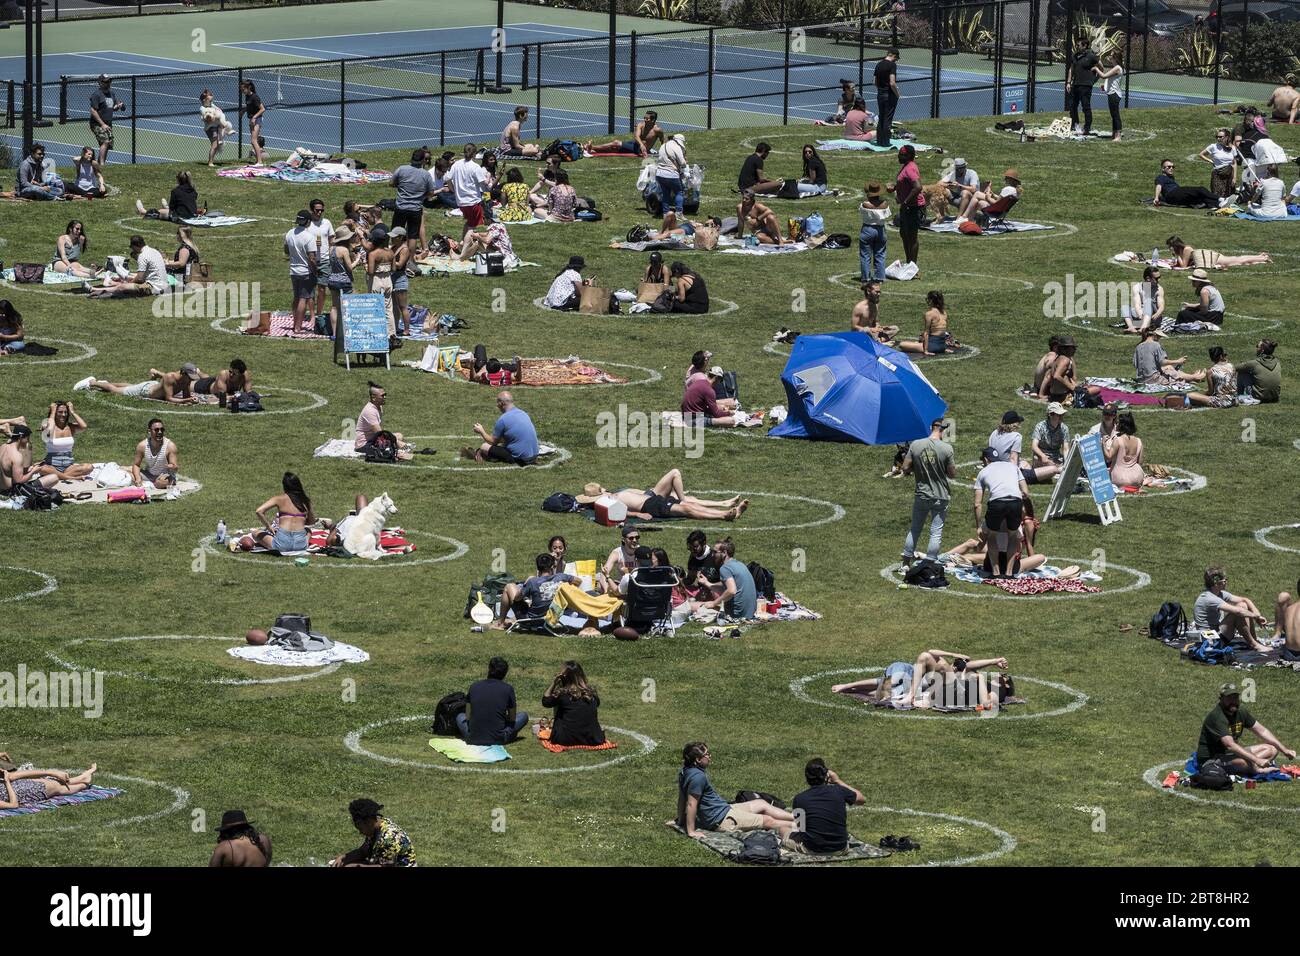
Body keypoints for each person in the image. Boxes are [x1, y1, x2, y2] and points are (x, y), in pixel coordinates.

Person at [675, 742, 796, 840]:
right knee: (767, 820)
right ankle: (801, 826)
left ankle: (797, 817)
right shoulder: (697, 778)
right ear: (697, 759)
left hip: (725, 809)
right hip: (722, 820)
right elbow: (691, 804)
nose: (710, 756)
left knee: (761, 803)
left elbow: (682, 797)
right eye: (707, 754)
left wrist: (680, 821)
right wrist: (691, 831)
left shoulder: (685, 772)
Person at [1197, 684, 1295, 777]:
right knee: (1244, 762)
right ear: (1221, 699)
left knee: (1272, 750)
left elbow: (1262, 731)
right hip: (1212, 759)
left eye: (1235, 697)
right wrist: (1257, 760)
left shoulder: (1240, 712)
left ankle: (1253, 767)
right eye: (1229, 698)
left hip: (1231, 754)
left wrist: (1284, 750)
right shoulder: (1217, 717)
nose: (1233, 701)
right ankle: (1256, 769)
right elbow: (1230, 745)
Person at [577, 470, 748, 522]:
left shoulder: (609, 495)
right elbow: (619, 512)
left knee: (676, 474)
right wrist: (638, 514)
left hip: (651, 498)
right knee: (687, 508)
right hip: (649, 506)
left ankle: (725, 506)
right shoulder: (606, 502)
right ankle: (725, 515)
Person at [900, 417, 956, 566]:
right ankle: (930, 563)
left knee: (915, 528)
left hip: (922, 494)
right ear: (943, 430)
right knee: (936, 531)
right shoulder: (947, 448)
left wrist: (917, 468)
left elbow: (905, 468)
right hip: (941, 495)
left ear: (931, 427)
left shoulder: (916, 444)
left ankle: (905, 563)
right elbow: (952, 474)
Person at [784, 759, 865, 855]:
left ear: (807, 778)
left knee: (783, 829)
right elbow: (861, 799)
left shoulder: (799, 798)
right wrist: (838, 780)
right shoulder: (839, 791)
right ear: (827, 775)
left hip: (811, 848)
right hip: (840, 848)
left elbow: (801, 828)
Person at [973, 445, 1032, 578]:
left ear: (986, 460)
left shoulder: (983, 471)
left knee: (992, 535)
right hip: (1015, 502)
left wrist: (978, 526)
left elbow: (977, 504)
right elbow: (1026, 493)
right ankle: (1010, 573)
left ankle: (996, 572)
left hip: (997, 502)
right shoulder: (1013, 467)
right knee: (1012, 536)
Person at [1194, 566, 1269, 651]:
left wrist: (1258, 616)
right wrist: (1254, 616)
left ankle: (1254, 641)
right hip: (1209, 639)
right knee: (1238, 613)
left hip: (1217, 633)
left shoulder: (1219, 593)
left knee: (1242, 605)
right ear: (1216, 583)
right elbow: (1238, 612)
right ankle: (1254, 645)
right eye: (1224, 580)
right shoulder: (1208, 598)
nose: (1226, 582)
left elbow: (1245, 600)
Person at [496, 553, 577, 627]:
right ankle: (501, 622)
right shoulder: (561, 577)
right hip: (551, 618)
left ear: (538, 567)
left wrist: (525, 586)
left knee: (509, 586)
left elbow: (517, 598)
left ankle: (500, 623)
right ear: (552, 566)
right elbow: (579, 581)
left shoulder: (532, 582)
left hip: (531, 621)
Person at [460, 657, 528, 744]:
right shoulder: (508, 689)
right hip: (498, 738)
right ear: (505, 673)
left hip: (473, 737)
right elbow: (512, 718)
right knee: (523, 716)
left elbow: (468, 715)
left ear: (489, 669)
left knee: (460, 717)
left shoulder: (474, 686)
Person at [331, 798, 414, 867]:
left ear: (369, 821)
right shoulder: (376, 828)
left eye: (360, 828)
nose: (360, 832)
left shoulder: (390, 838)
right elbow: (363, 851)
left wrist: (356, 866)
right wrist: (344, 858)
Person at [542, 662, 606, 747]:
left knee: (556, 703)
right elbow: (597, 704)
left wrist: (554, 683)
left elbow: (545, 702)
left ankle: (560, 730)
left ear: (564, 677)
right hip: (592, 739)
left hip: (565, 739)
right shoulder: (591, 693)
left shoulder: (562, 694)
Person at [465, 391, 538, 466]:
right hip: (534, 456)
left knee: (484, 446)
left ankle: (485, 456)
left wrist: (481, 431)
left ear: (502, 403)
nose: (497, 405)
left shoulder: (503, 419)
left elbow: (492, 442)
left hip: (521, 459)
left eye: (497, 403)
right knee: (504, 443)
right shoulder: (523, 413)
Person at [988, 409, 1059, 484]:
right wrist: (1013, 479)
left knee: (1025, 463)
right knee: (1053, 469)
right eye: (1018, 422)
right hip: (1009, 473)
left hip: (994, 470)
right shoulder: (1016, 437)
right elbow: (1013, 458)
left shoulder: (994, 433)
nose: (1019, 424)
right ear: (1014, 424)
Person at [251, 472, 315, 554]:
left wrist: (269, 527)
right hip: (300, 545)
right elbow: (312, 521)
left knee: (255, 533)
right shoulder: (306, 500)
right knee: (308, 530)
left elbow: (259, 511)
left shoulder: (279, 499)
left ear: (284, 486)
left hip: (281, 544)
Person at [698, 538, 758, 619]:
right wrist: (707, 583)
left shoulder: (725, 568)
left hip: (737, 615)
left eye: (715, 552)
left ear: (724, 553)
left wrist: (714, 603)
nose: (713, 555)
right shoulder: (740, 564)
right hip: (749, 612)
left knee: (696, 606)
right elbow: (726, 587)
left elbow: (731, 591)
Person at [80, 364, 198, 404]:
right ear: (183, 373)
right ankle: (92, 382)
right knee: (115, 390)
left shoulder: (186, 379)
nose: (191, 379)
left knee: (129, 387)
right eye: (189, 376)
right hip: (146, 391)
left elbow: (186, 395)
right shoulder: (169, 377)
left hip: (150, 386)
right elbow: (169, 398)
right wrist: (186, 401)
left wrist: (190, 398)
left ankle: (104, 383)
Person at [354, 381, 411, 460]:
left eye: (385, 395)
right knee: (405, 456)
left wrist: (395, 440)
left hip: (372, 439)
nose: (385, 397)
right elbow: (379, 434)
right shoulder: (370, 411)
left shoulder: (378, 406)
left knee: (399, 435)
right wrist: (398, 443)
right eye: (382, 395)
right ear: (374, 397)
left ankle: (399, 449)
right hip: (364, 445)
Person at [887, 144, 924, 266]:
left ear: (909, 156)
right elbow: (905, 182)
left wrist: (906, 201)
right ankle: (909, 262)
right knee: (904, 234)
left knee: (912, 237)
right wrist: (895, 188)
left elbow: (918, 187)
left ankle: (913, 266)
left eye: (902, 155)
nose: (899, 156)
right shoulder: (906, 167)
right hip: (907, 207)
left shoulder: (910, 168)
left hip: (913, 207)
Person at [36, 401, 91, 481]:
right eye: (60, 412)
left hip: (68, 464)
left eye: (65, 412)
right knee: (43, 468)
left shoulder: (70, 427)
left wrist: (72, 412)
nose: (63, 415)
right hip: (52, 464)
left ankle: (59, 476)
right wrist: (53, 411)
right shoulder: (46, 425)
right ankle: (70, 477)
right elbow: (50, 429)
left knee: (88, 467)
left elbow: (84, 426)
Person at [0, 425, 61, 498]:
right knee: (54, 478)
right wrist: (33, 471)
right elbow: (19, 481)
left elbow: (7, 471)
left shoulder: (3, 446)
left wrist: (30, 469)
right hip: (11, 492)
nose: (28, 441)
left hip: (2, 488)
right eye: (27, 439)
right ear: (20, 437)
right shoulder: (17, 456)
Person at [0, 764, 99, 809]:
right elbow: (13, 805)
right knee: (58, 788)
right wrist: (7, 782)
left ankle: (82, 778)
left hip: (21, 784)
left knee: (51, 781)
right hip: (25, 792)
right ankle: (84, 783)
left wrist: (51, 773)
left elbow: (11, 775)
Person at [284, 210, 319, 335]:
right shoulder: (309, 237)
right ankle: (298, 327)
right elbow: (312, 258)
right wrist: (315, 271)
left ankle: (294, 323)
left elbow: (286, 250)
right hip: (305, 272)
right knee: (303, 299)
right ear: (308, 222)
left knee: (296, 297)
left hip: (293, 270)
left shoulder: (289, 233)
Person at [1133, 326, 1203, 386]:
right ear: (1154, 335)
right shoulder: (1155, 345)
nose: (1159, 338)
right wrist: (1178, 361)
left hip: (1141, 379)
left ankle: (1193, 377)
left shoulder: (1138, 346)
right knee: (1170, 370)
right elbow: (1162, 361)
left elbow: (1135, 364)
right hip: (1153, 379)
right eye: (1159, 336)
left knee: (1168, 368)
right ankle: (1195, 377)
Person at [449, 143, 491, 238]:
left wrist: (454, 190)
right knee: (473, 226)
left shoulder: (456, 164)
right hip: (472, 201)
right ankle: (466, 246)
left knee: (469, 223)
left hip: (461, 201)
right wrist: (488, 178)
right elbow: (483, 184)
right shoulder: (475, 167)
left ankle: (463, 241)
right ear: (474, 154)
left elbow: (448, 178)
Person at [892, 290, 951, 356]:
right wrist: (944, 348)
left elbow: (926, 333)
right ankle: (939, 348)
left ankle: (927, 348)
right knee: (917, 343)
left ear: (931, 300)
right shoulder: (944, 313)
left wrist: (925, 350)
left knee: (902, 344)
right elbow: (942, 332)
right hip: (942, 346)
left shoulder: (929, 314)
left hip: (932, 347)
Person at [586, 110, 665, 157]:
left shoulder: (657, 130)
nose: (644, 120)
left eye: (647, 119)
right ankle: (592, 149)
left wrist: (664, 151)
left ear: (653, 120)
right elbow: (636, 136)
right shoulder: (641, 125)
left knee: (616, 143)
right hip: (637, 144)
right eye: (644, 118)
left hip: (640, 150)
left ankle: (592, 148)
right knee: (615, 148)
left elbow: (662, 141)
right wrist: (641, 144)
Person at [1166, 235, 1269, 270]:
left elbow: (1184, 266)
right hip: (1213, 258)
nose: (1170, 248)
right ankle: (1260, 257)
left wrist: (1176, 255)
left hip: (1215, 259)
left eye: (1170, 246)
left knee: (1239, 260)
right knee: (1238, 260)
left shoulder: (1186, 249)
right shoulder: (1183, 250)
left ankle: (1263, 257)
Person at [324, 226, 357, 335]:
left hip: (332, 279)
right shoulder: (344, 250)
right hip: (344, 281)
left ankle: (334, 333)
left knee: (334, 307)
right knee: (350, 305)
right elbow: (349, 267)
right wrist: (357, 260)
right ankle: (348, 331)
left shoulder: (331, 249)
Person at [135, 170, 202, 222]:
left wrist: (167, 211)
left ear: (178, 179)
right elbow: (188, 202)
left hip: (181, 216)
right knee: (166, 210)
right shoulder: (193, 190)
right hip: (192, 213)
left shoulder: (175, 191)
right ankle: (166, 207)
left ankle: (143, 211)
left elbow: (172, 208)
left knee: (159, 211)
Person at [956, 167, 1021, 221]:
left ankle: (964, 217)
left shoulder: (1007, 189)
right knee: (978, 201)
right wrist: (993, 195)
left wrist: (988, 198)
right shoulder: (1014, 191)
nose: (1005, 179)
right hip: (1002, 212)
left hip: (995, 211)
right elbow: (1002, 201)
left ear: (1011, 180)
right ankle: (969, 219)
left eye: (1006, 178)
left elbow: (996, 203)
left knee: (977, 194)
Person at [130, 418, 178, 489]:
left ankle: (148, 483)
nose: (159, 432)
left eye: (162, 429)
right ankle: (144, 482)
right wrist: (138, 479)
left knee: (160, 484)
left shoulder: (170, 446)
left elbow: (175, 467)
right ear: (149, 431)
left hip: (164, 476)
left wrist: (172, 467)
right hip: (149, 474)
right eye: (156, 430)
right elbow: (136, 465)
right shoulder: (142, 446)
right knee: (128, 473)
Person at [1153, 159, 1219, 208]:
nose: (1171, 168)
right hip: (1172, 194)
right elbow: (1159, 186)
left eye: (1173, 167)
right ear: (1163, 169)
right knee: (1200, 189)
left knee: (1201, 197)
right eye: (1169, 167)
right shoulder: (1160, 177)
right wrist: (1156, 198)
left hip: (1176, 197)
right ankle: (1220, 198)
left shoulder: (1171, 178)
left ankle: (1219, 205)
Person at [858, 181, 890, 283]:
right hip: (880, 230)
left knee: (865, 255)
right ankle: (880, 277)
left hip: (867, 229)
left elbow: (861, 211)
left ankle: (866, 278)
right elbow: (887, 214)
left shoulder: (865, 204)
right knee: (880, 254)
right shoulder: (885, 204)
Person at [89, 74, 124, 165]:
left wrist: (118, 106)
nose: (108, 83)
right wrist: (102, 124)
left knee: (107, 144)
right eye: (105, 82)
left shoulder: (111, 94)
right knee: (105, 141)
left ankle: (99, 164)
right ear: (100, 83)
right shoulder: (97, 95)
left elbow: (113, 107)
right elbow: (93, 111)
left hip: (108, 123)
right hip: (97, 123)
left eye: (109, 81)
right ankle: (102, 165)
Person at [1104, 411, 1144, 487]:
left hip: (1119, 478)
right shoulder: (1139, 441)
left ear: (1123, 425)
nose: (1116, 424)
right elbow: (1140, 462)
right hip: (1137, 477)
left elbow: (1108, 457)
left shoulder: (1118, 440)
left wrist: (1103, 444)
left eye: (1118, 423)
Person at [1067, 42, 1099, 135]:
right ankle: (1075, 125)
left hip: (1086, 86)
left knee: (1086, 107)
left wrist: (1093, 80)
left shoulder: (1091, 56)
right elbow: (1071, 68)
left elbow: (1100, 67)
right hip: (1075, 85)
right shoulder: (1075, 56)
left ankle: (1087, 128)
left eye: (1078, 45)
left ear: (1085, 46)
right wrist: (1068, 82)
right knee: (1072, 106)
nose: (1077, 46)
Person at [1236, 339, 1281, 403]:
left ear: (1262, 350)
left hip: (1259, 397)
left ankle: (1239, 395)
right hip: (1275, 397)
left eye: (1257, 346)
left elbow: (1235, 368)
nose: (1256, 348)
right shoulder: (1277, 363)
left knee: (1242, 373)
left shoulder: (1255, 363)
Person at [655, 132, 688, 218]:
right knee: (679, 192)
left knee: (666, 193)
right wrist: (685, 161)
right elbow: (683, 163)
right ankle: (679, 212)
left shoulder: (663, 146)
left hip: (659, 174)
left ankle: (665, 213)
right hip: (671, 174)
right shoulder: (676, 147)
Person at [1199, 128, 1239, 199]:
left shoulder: (1232, 148)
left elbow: (1234, 163)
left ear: (1227, 137)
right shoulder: (1213, 146)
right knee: (1217, 196)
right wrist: (1210, 161)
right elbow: (1201, 154)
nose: (1218, 138)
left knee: (1228, 196)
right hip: (1218, 174)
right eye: (1217, 137)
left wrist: (1234, 177)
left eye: (1220, 137)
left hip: (1229, 174)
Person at [1124, 266, 1165, 334]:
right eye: (1156, 278)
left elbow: (1161, 306)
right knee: (1124, 306)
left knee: (1149, 303)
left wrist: (1157, 314)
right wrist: (1140, 314)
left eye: (1159, 277)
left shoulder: (1159, 289)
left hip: (1153, 318)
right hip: (1140, 316)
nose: (1159, 280)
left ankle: (1143, 328)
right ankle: (1131, 327)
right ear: (1148, 278)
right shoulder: (1137, 287)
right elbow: (1137, 303)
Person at [1030, 402, 1071, 469]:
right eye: (1059, 415)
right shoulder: (1040, 426)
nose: (1061, 417)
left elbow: (1065, 449)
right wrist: (1043, 456)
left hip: (1056, 456)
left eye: (1062, 414)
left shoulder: (1064, 428)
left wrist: (1067, 463)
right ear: (1051, 415)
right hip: (1041, 455)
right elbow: (1034, 446)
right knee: (1041, 462)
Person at [199, 89, 234, 166]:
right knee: (214, 145)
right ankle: (210, 162)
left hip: (217, 126)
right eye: (210, 96)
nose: (212, 97)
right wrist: (215, 117)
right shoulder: (202, 108)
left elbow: (219, 111)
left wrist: (219, 115)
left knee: (216, 144)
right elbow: (208, 119)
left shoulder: (212, 105)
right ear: (205, 100)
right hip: (211, 128)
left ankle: (225, 133)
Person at [874, 47, 900, 148]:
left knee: (881, 117)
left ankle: (879, 140)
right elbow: (892, 83)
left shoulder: (879, 64)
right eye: (896, 58)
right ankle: (885, 142)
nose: (896, 60)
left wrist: (881, 89)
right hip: (889, 95)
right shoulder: (892, 65)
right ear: (893, 55)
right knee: (887, 119)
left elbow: (875, 82)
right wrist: (897, 94)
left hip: (880, 94)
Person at [1096, 49, 1123, 141]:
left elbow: (1103, 76)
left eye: (1111, 55)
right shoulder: (1115, 67)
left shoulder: (1117, 68)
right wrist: (1105, 87)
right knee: (1113, 114)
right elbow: (1112, 80)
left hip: (1114, 94)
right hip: (1111, 93)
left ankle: (1118, 135)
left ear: (1115, 58)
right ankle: (1114, 133)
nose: (1110, 57)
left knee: (1115, 114)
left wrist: (1096, 69)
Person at [240, 79, 266, 165]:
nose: (242, 91)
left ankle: (259, 161)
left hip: (257, 120)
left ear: (249, 87)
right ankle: (258, 160)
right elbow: (249, 106)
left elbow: (262, 109)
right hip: (251, 120)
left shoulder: (255, 97)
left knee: (253, 140)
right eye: (241, 90)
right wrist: (243, 111)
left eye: (243, 89)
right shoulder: (247, 96)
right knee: (253, 140)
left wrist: (254, 117)